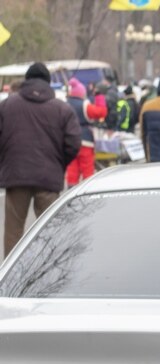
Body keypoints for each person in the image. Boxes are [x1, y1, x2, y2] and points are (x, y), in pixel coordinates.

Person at [0, 63, 81, 255]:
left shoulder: (7, 106)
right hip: (48, 177)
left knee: (13, 230)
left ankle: (12, 275)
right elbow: (73, 143)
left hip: (16, 176)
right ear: (49, 82)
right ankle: (49, 272)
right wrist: (58, 163)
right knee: (50, 230)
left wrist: (6, 161)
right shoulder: (63, 109)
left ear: (26, 80)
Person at [65, 78, 106, 187]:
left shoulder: (65, 104)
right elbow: (101, 112)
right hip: (85, 141)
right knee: (87, 168)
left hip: (69, 140)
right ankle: (87, 190)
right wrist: (99, 96)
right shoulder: (84, 105)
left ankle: (71, 192)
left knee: (72, 169)